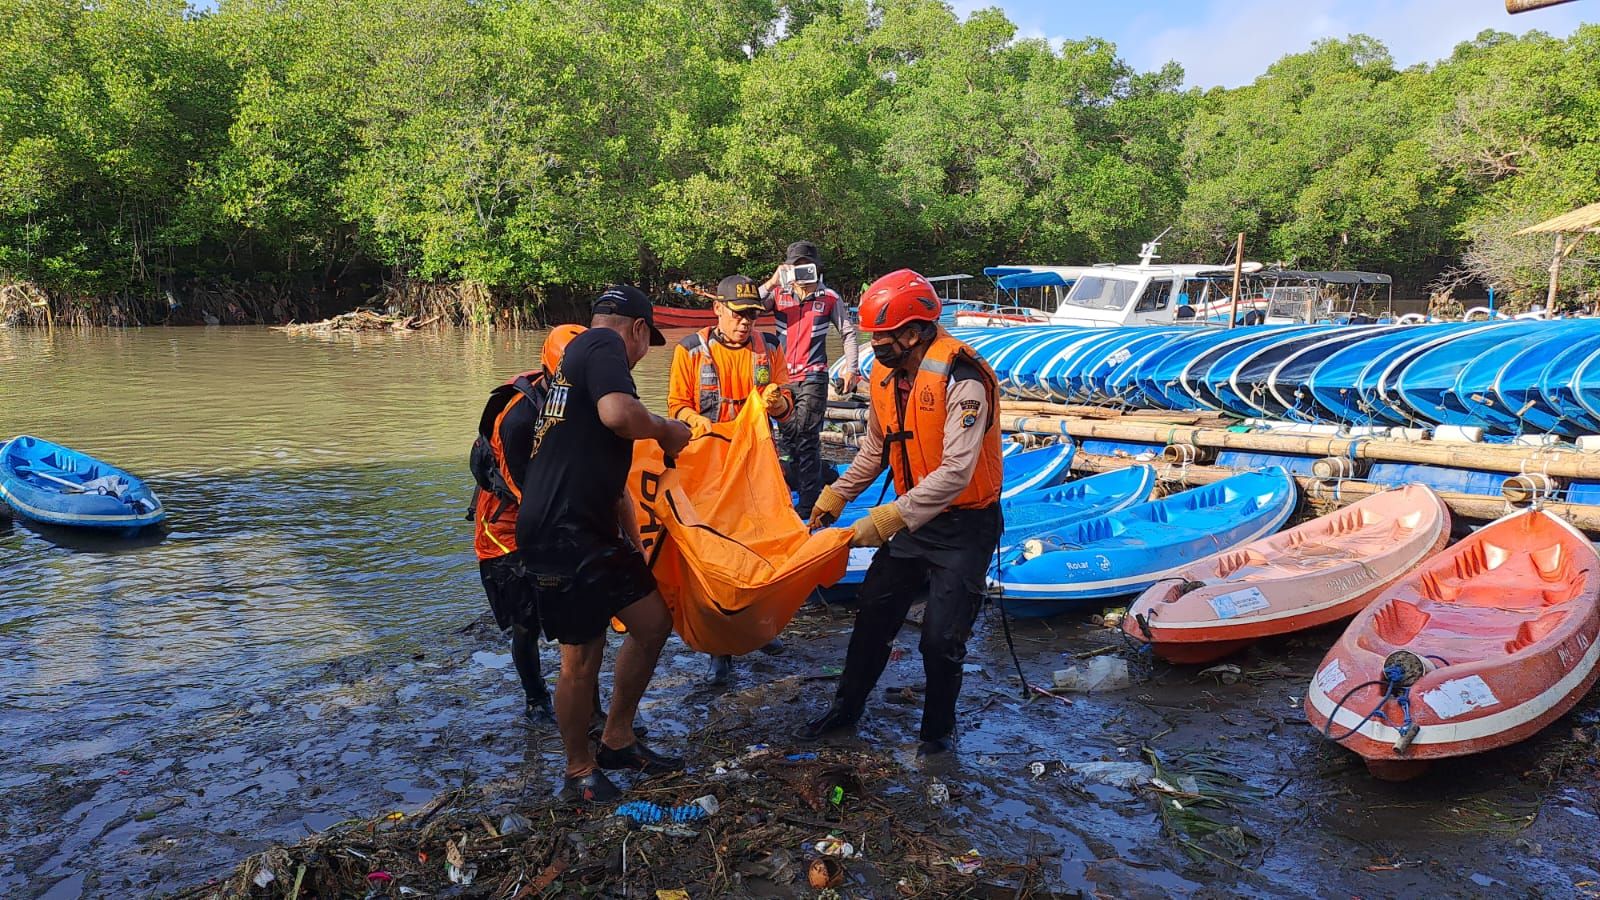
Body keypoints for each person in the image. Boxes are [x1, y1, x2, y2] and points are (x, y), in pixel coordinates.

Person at [797, 269, 1004, 757]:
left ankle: (936, 736)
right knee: (873, 614)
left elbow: (955, 473)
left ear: (913, 333)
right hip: (915, 521)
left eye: (882, 336)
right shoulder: (887, 378)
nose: (874, 345)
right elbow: (875, 449)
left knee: (939, 640)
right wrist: (835, 498)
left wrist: (885, 519)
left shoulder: (963, 380)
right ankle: (844, 709)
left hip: (964, 528)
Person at [516, 285, 693, 803]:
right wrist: (664, 430)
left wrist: (635, 543)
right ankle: (578, 772)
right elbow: (620, 414)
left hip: (593, 528)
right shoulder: (601, 347)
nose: (641, 357)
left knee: (653, 622)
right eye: (646, 344)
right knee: (581, 657)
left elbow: (604, 464)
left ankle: (617, 739)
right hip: (559, 532)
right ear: (637, 329)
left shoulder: (578, 362)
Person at [666, 274, 796, 685]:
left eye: (752, 316)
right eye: (738, 315)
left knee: (762, 547)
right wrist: (696, 421)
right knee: (713, 557)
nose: (746, 323)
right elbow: (676, 406)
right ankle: (718, 645)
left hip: (756, 468)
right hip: (708, 469)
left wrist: (778, 403)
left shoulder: (769, 347)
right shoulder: (690, 351)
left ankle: (761, 629)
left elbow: (788, 410)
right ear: (718, 309)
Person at [469, 324, 586, 724]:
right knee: (527, 621)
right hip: (505, 529)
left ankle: (588, 705)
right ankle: (536, 699)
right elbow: (528, 493)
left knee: (580, 617)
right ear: (551, 372)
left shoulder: (582, 398)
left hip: (557, 512)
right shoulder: (519, 418)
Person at [760, 240, 859, 517]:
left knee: (806, 435)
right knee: (787, 439)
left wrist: (852, 368)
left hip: (814, 375)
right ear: (788, 269)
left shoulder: (829, 298)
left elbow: (848, 332)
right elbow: (748, 309)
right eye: (797, 267)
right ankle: (822, 475)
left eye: (808, 267)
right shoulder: (778, 295)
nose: (803, 272)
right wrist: (771, 282)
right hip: (781, 377)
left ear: (817, 268)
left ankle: (808, 504)